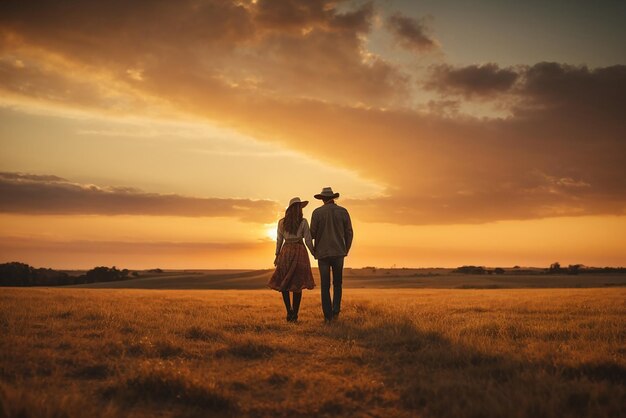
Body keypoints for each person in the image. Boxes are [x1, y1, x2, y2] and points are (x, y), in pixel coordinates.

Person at [267, 197, 316, 322]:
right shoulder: (303, 222)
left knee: (285, 283)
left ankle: (289, 311)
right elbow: (308, 240)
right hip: (300, 251)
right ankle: (295, 314)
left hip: (286, 252)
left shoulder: (281, 222)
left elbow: (279, 240)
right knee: (297, 284)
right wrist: (314, 252)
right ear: (298, 209)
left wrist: (277, 254)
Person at [310, 187, 353, 322]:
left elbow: (312, 234)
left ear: (322, 199)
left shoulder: (317, 213)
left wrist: (314, 250)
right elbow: (349, 233)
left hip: (322, 254)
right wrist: (346, 249)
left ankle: (328, 316)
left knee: (325, 285)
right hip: (339, 252)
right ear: (333, 198)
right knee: (338, 283)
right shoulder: (343, 211)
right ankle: (336, 312)